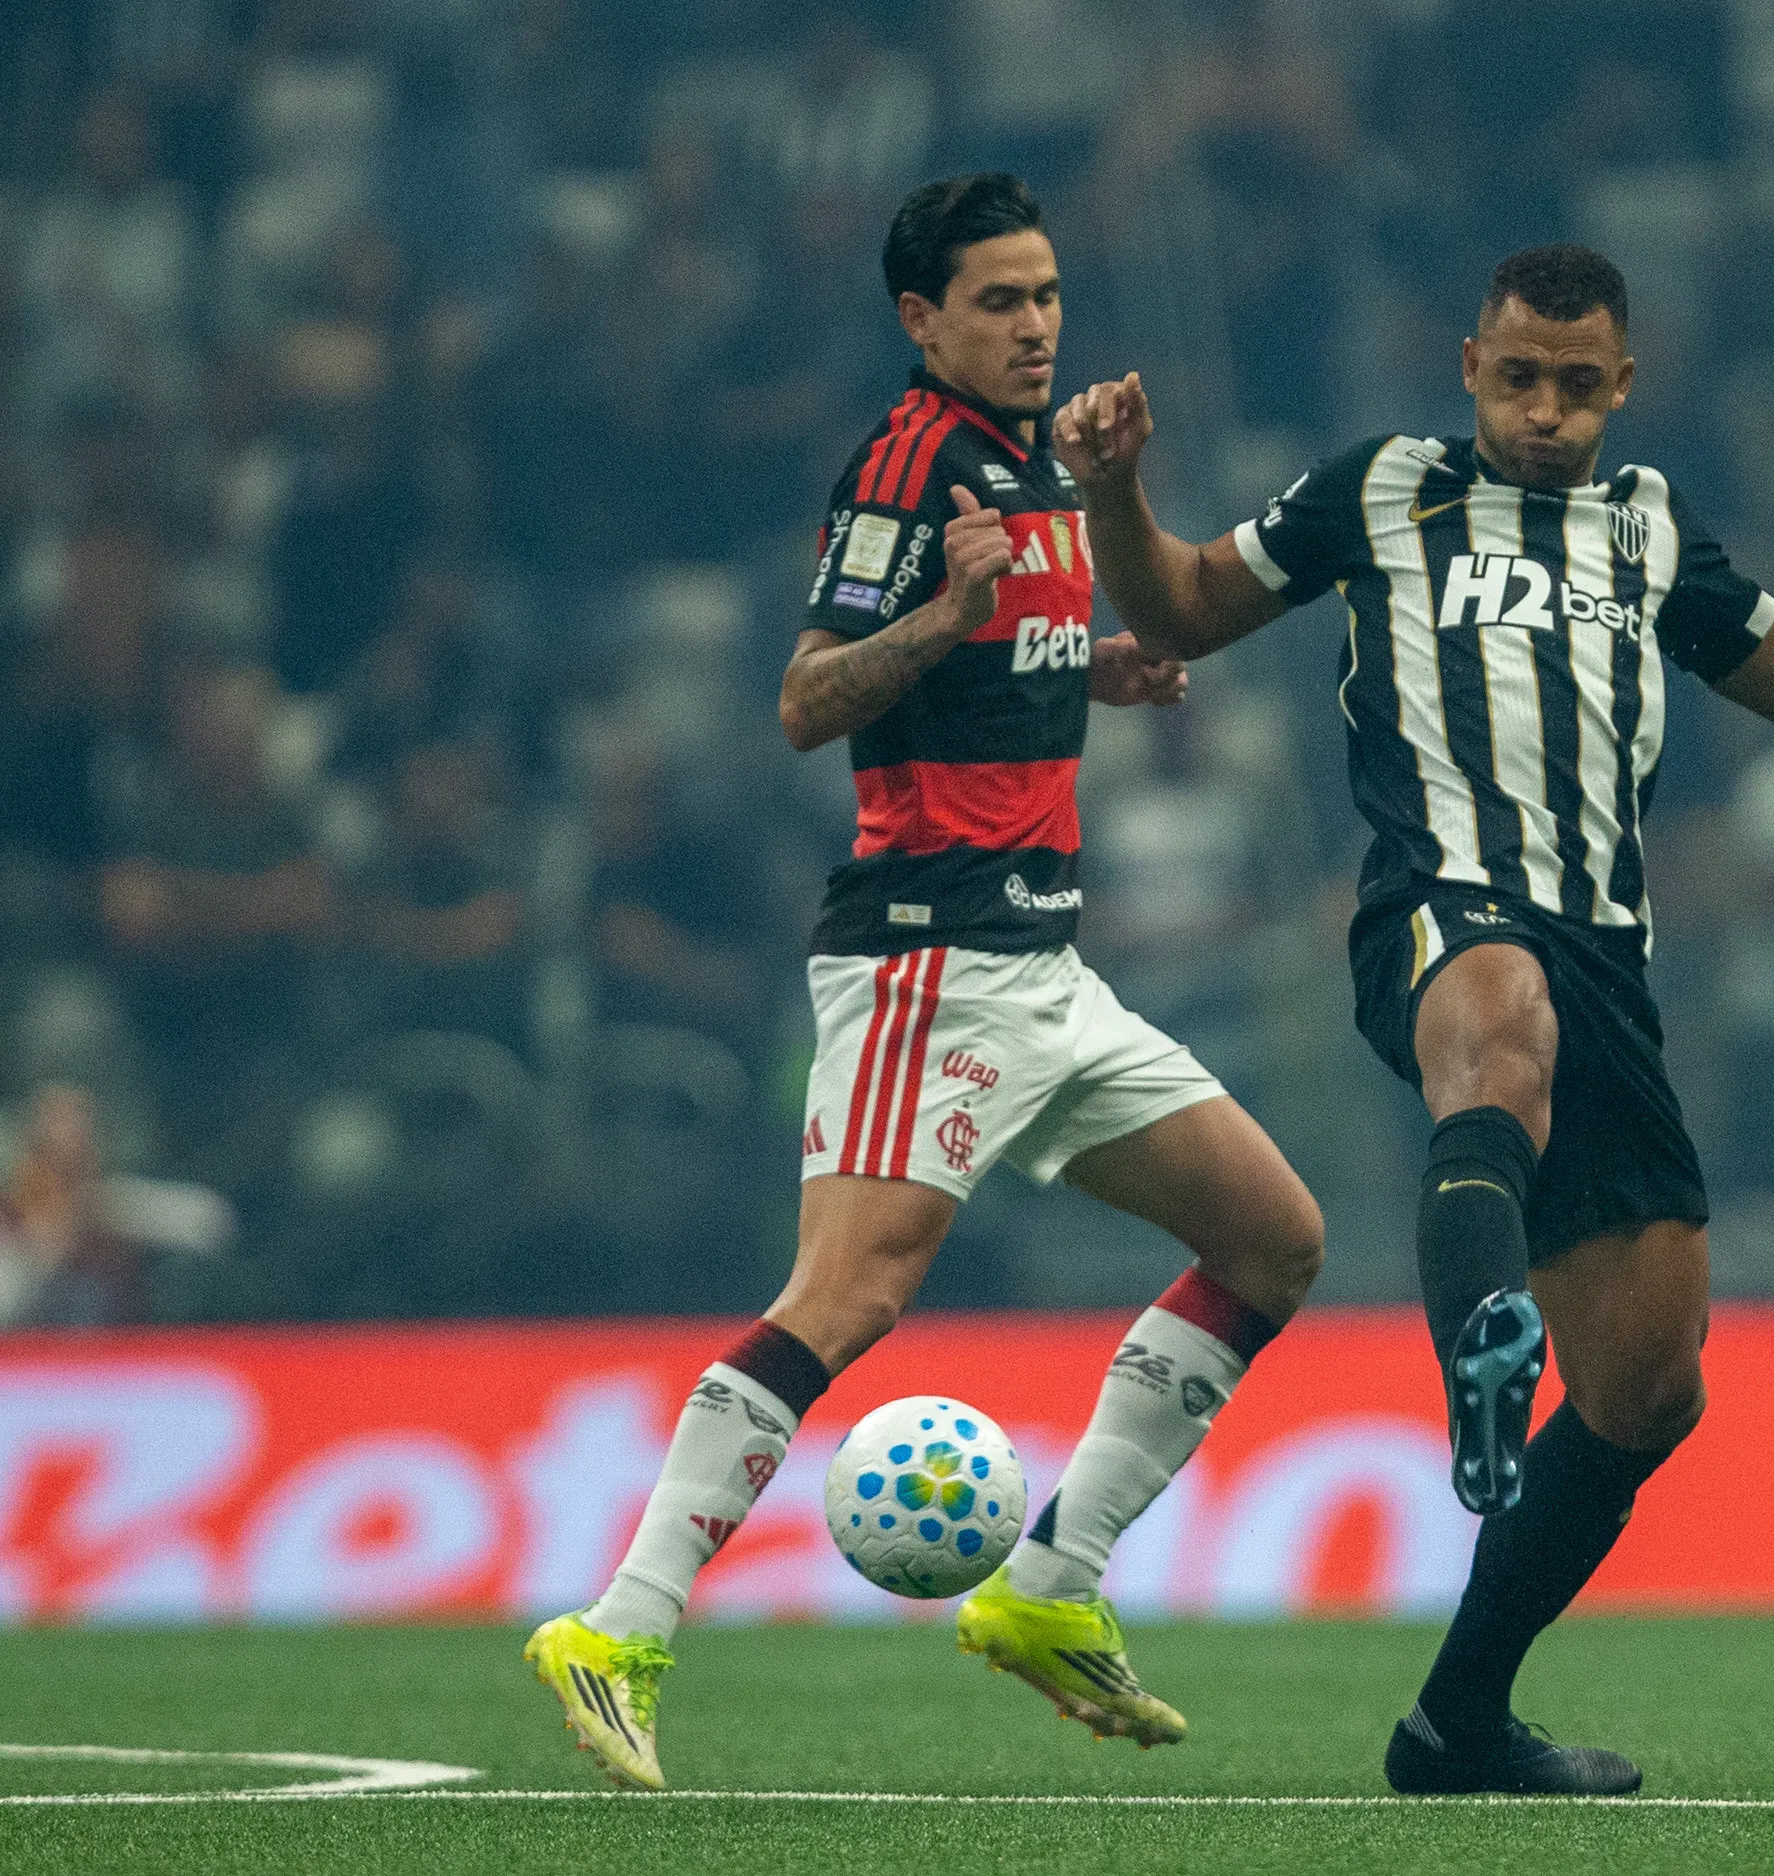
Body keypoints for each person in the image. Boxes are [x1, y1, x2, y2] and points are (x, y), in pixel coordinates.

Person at [1059, 243, 1774, 1795]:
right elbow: (1181, 606)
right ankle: (1476, 1342)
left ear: (1621, 390)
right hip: (1437, 910)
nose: (1542, 412)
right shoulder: (1380, 488)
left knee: (1651, 1387)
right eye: (1516, 378)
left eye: (1575, 387)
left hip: (1609, 956)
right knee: (1499, 1022)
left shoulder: (1646, 528)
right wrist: (1116, 493)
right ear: (1469, 366)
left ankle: (1454, 1725)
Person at [525, 174, 1325, 1791]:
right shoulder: (901, 471)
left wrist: (1091, 660)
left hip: (1049, 965)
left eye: (1045, 295)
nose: (1034, 326)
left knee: (1273, 1237)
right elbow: (810, 699)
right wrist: (951, 608)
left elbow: (993, 655)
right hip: (925, 963)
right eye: (999, 302)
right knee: (848, 1297)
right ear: (922, 320)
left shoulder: (1041, 460)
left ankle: (1050, 1584)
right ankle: (618, 1621)